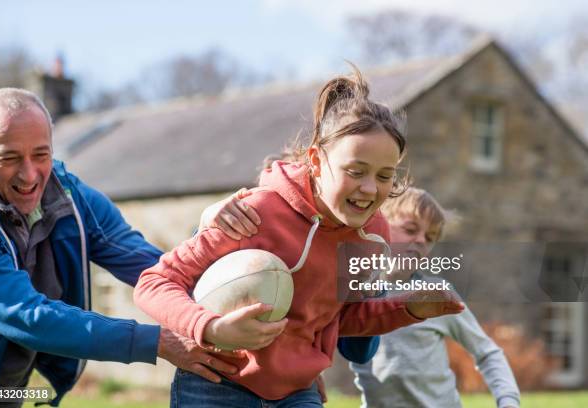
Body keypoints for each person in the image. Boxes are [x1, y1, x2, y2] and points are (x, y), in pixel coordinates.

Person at [134, 65, 464, 408]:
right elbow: (155, 283)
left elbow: (339, 318)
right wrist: (211, 328)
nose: (370, 189)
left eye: (385, 176)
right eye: (356, 171)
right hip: (215, 381)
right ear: (317, 162)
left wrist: (408, 307)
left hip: (298, 392)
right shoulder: (256, 212)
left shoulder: (374, 235)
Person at [0, 88, 255, 407]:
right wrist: (157, 342)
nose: (29, 174)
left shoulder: (71, 199)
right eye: (9, 158)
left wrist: (211, 242)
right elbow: (28, 316)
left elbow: (152, 267)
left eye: (41, 155)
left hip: (5, 392)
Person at [349, 187, 521, 408]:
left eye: (430, 237)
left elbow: (487, 353)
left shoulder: (437, 293)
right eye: (410, 229)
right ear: (380, 225)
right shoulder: (355, 291)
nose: (421, 240)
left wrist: (508, 400)